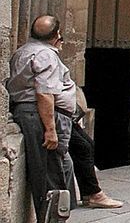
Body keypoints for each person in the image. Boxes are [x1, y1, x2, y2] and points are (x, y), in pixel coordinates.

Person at [7, 15, 77, 223]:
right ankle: (52, 219)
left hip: (28, 112)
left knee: (54, 167)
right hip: (38, 116)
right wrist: (50, 129)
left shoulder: (23, 51)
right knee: (49, 173)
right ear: (56, 35)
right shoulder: (46, 55)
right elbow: (44, 93)